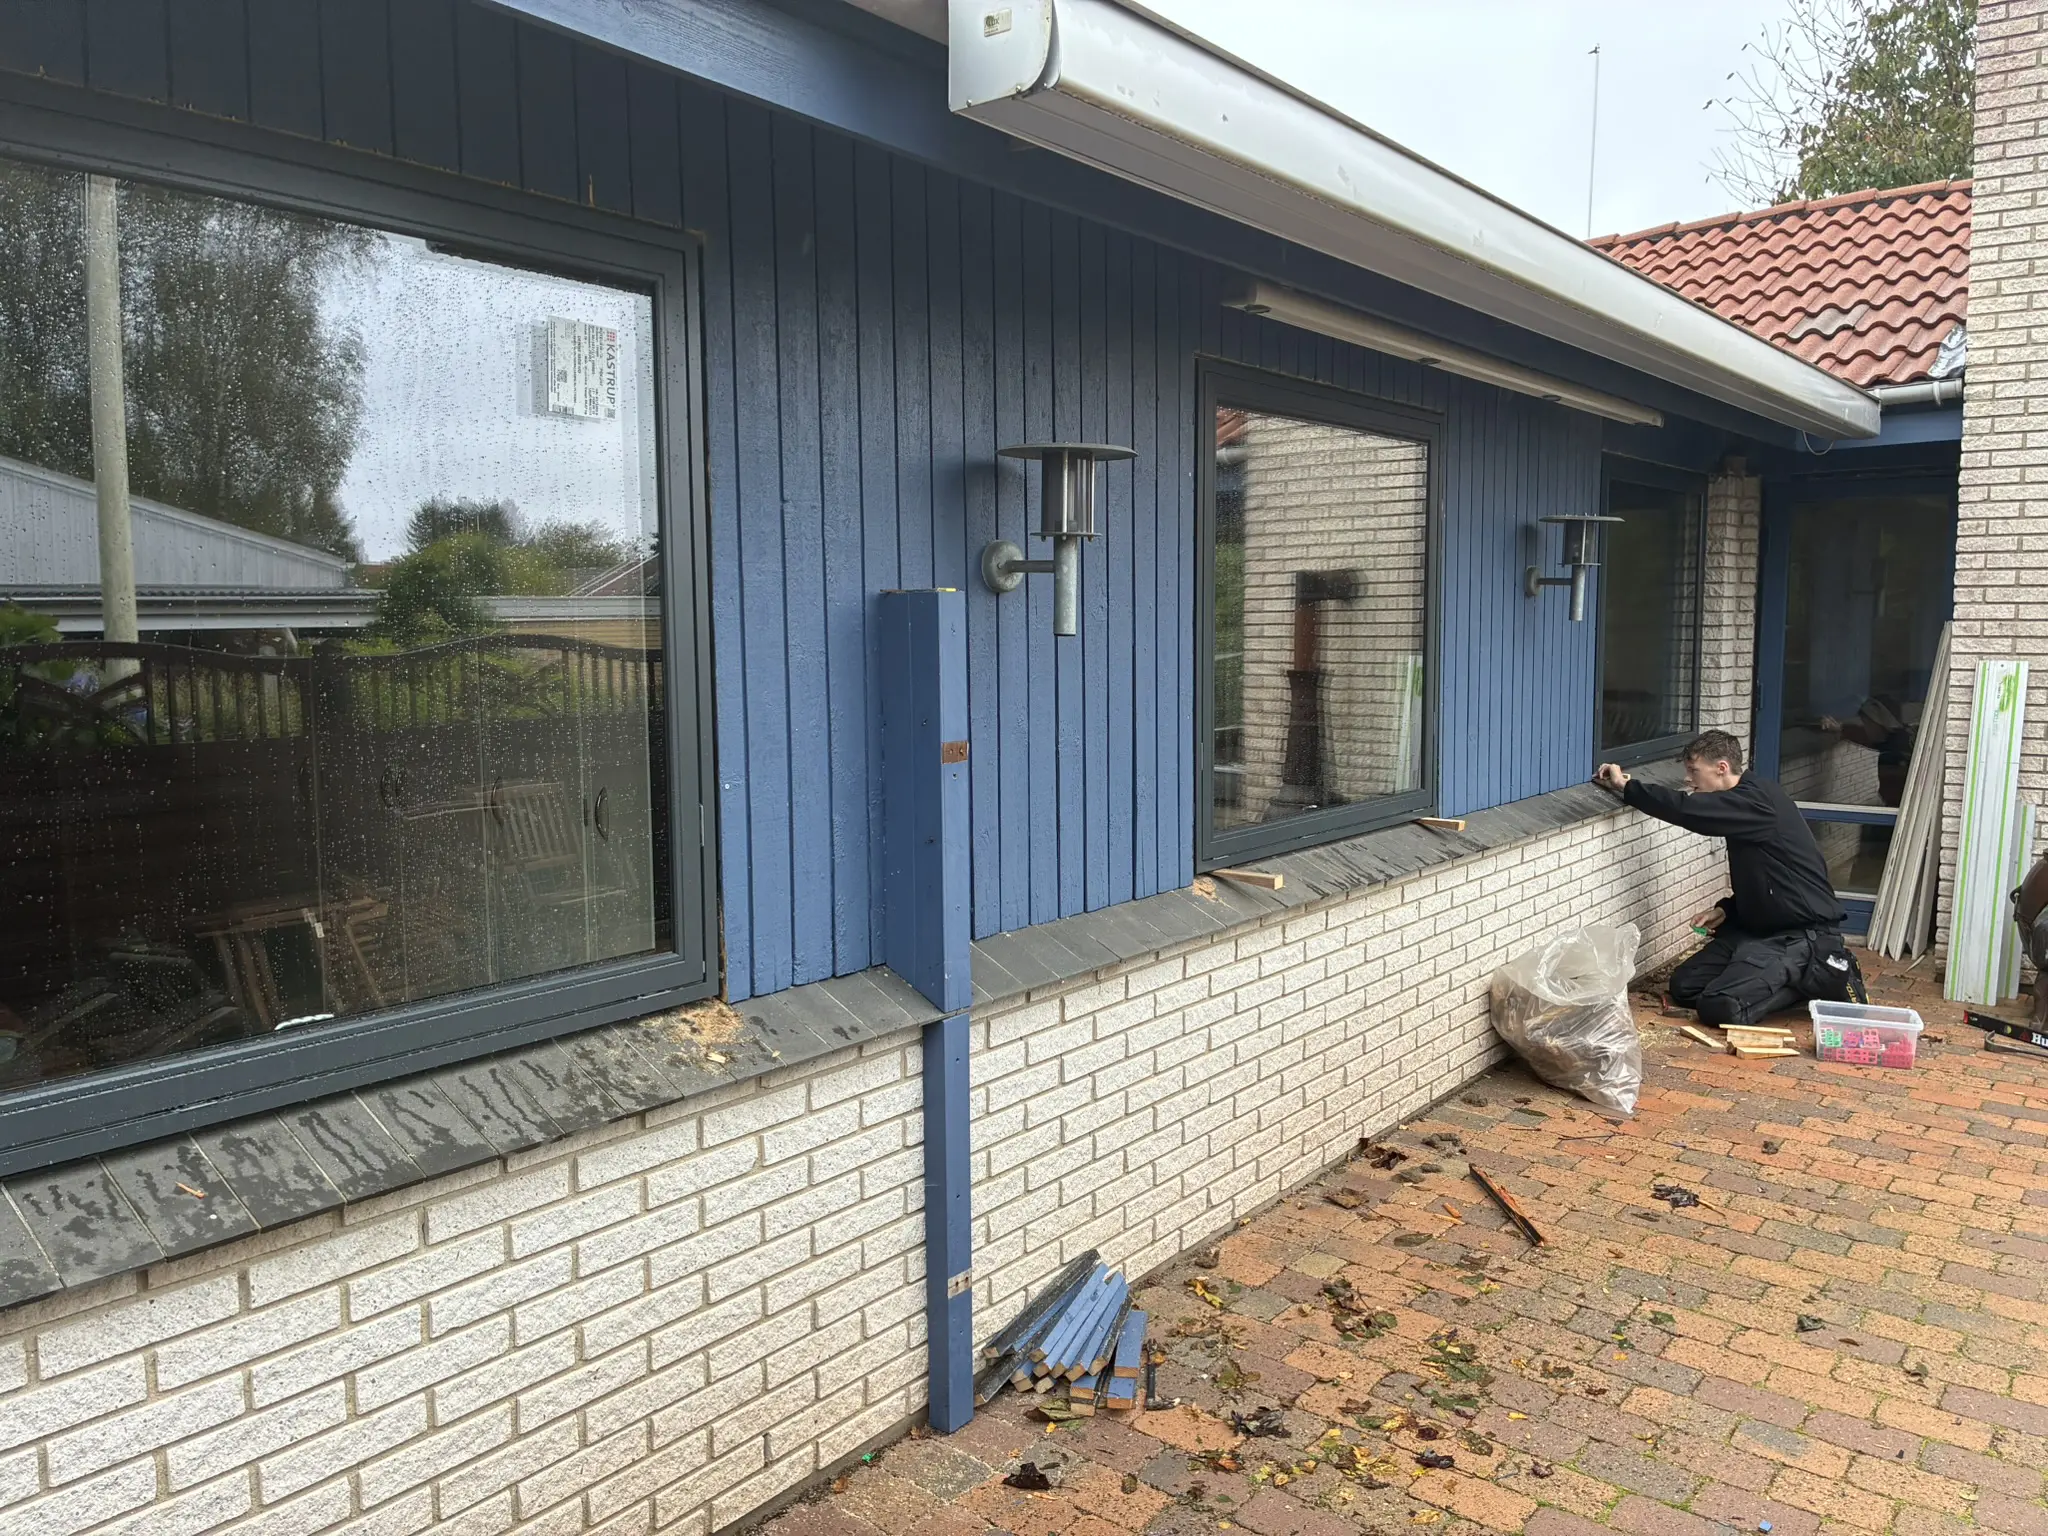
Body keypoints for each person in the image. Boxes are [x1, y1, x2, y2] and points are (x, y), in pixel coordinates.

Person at [1595, 729, 1863, 1026]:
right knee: (1686, 987)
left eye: (1694, 771)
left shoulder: (1756, 801)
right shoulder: (1743, 802)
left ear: (1721, 768)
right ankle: (1785, 977)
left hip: (1800, 935)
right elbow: (1771, 878)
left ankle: (1815, 976)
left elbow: (1687, 810)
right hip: (1758, 932)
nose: (1688, 779)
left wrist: (1626, 786)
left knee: (1720, 1006)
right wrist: (1727, 910)